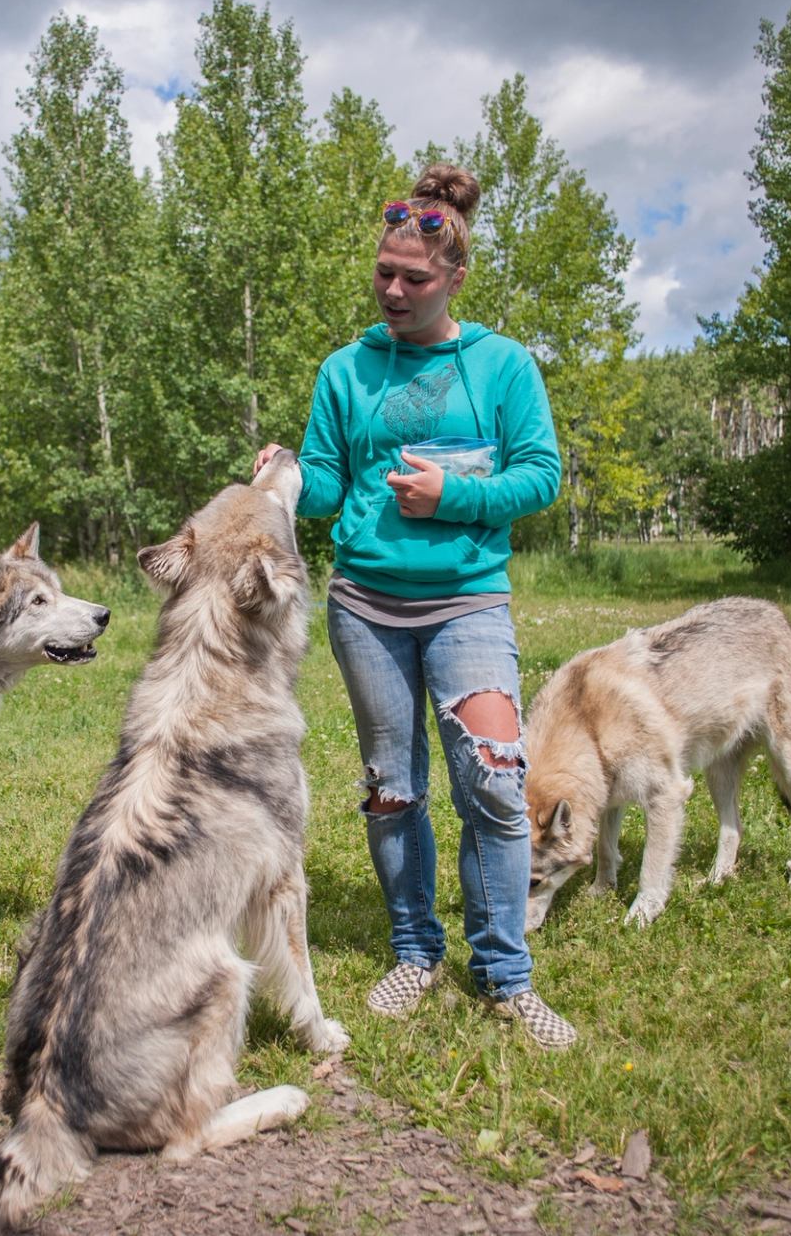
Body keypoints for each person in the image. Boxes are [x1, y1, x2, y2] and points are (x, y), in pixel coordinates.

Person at [253, 162, 574, 1049]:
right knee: (393, 791)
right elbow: (327, 485)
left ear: (456, 279)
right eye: (384, 275)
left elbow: (541, 476)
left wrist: (456, 499)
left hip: (469, 602)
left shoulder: (504, 367)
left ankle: (506, 974)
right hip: (366, 605)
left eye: (415, 279)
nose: (394, 291)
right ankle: (413, 951)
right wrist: (285, 479)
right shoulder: (347, 371)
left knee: (495, 782)